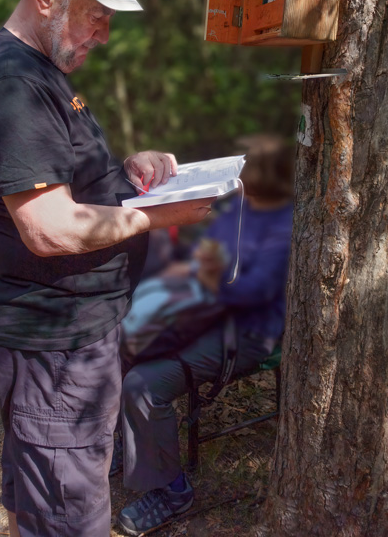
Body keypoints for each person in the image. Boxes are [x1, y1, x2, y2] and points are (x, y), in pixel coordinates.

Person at [0, 0, 214, 537]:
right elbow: (47, 228)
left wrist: (127, 172)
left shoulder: (44, 72)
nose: (103, 35)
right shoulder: (12, 87)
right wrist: (158, 216)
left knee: (36, 482)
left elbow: (62, 179)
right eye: (96, 18)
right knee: (71, 515)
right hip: (53, 341)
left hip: (62, 334)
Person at [116, 134, 294, 536]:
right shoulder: (237, 212)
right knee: (122, 342)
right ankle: (132, 447)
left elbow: (254, 291)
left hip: (249, 335)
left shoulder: (285, 224)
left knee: (143, 385)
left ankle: (172, 491)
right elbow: (205, 258)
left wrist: (205, 281)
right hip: (209, 315)